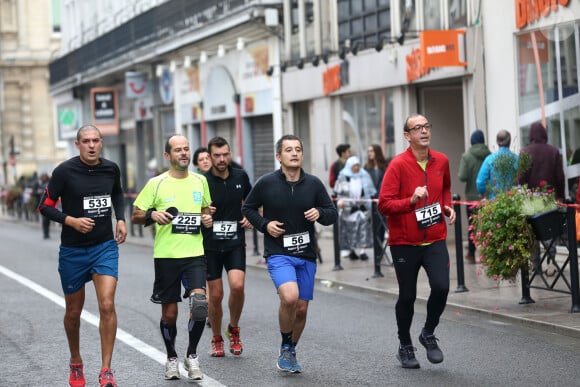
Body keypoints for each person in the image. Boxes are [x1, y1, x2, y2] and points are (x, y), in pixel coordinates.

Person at [38, 125, 127, 387]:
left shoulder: (111, 168)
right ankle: (76, 362)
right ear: (77, 144)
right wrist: (71, 221)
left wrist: (120, 218)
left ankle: (106, 370)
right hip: (73, 251)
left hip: (104, 246)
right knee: (73, 313)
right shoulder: (64, 171)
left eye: (95, 141)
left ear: (101, 143)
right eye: (86, 141)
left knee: (107, 304)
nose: (91, 145)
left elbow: (117, 193)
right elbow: (44, 206)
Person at [242, 134, 337, 373]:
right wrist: (265, 225)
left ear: (302, 155)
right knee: (290, 297)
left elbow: (331, 213)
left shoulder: (314, 184)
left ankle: (290, 349)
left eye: (298, 149)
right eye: (288, 150)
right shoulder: (266, 182)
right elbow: (248, 208)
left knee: (302, 308)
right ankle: (286, 346)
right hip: (278, 252)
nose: (294, 153)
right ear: (279, 156)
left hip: (306, 253)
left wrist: (320, 213)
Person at [131, 135, 213, 382]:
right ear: (168, 155)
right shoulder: (156, 183)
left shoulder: (200, 181)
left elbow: (206, 211)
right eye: (178, 150)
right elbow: (135, 214)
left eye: (186, 149)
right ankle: (171, 358)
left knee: (200, 305)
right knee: (169, 315)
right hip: (166, 256)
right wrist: (152, 215)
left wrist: (207, 219)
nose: (184, 153)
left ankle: (192, 355)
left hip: (194, 253)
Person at [378, 114, 456, 369]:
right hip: (404, 242)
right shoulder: (398, 165)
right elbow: (384, 204)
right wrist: (411, 201)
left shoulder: (441, 161)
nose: (424, 131)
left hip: (434, 238)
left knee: (442, 287)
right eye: (417, 128)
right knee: (408, 296)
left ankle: (428, 333)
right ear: (407, 136)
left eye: (426, 126)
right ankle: (405, 344)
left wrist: (447, 206)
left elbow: (445, 188)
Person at [203, 136, 253, 357]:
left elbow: (252, 203)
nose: (222, 159)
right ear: (210, 156)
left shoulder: (240, 176)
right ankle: (216, 337)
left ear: (230, 154)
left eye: (225, 154)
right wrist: (202, 214)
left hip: (234, 242)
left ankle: (233, 328)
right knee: (215, 296)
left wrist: (250, 217)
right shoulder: (201, 182)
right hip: (210, 245)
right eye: (217, 155)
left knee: (238, 286)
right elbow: (193, 209)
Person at [518, 122, 565, 276]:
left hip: (531, 199)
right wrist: (561, 196)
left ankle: (536, 264)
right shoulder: (553, 151)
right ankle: (551, 263)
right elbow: (560, 177)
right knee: (549, 232)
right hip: (549, 197)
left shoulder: (525, 152)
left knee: (533, 232)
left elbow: (520, 178)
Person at [334, 155, 376, 260]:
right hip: (348, 209)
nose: (356, 168)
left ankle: (363, 251)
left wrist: (369, 200)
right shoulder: (343, 176)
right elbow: (338, 193)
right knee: (350, 230)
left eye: (358, 165)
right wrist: (340, 202)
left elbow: (371, 191)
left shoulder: (364, 175)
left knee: (364, 229)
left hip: (363, 208)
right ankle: (351, 250)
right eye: (354, 166)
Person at [458, 129, 491, 263]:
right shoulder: (489, 155)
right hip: (487, 196)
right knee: (487, 225)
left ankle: (471, 253)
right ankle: (488, 254)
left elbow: (463, 176)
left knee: (473, 225)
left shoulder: (466, 156)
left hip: (471, 197)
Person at [476, 129, 519, 199]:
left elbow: (480, 181)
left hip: (495, 202)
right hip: (513, 201)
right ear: (510, 142)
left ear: (497, 142)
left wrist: (482, 193)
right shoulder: (517, 159)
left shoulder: (489, 159)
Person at [365, 144, 390, 259]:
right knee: (373, 227)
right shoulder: (366, 167)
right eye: (369, 151)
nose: (370, 153)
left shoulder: (384, 166)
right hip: (371, 201)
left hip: (382, 200)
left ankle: (380, 251)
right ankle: (377, 252)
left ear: (377, 152)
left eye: (372, 151)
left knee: (382, 226)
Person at [35, 172, 52, 239]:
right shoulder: (38, 184)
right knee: (44, 219)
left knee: (48, 219)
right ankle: (45, 233)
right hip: (42, 204)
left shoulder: (49, 183)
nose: (44, 178)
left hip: (49, 203)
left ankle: (47, 232)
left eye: (45, 177)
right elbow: (34, 191)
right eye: (43, 177)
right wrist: (37, 192)